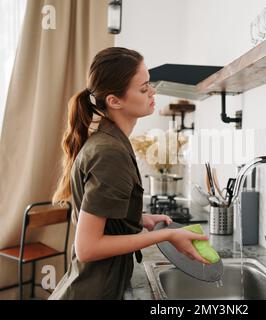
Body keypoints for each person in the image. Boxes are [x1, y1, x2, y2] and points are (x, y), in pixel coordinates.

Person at [50, 47, 209, 300]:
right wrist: (165, 234)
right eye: (144, 89)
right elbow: (87, 248)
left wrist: (136, 218)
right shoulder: (110, 153)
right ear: (114, 101)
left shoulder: (110, 142)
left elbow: (99, 216)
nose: (153, 92)